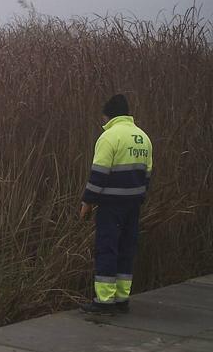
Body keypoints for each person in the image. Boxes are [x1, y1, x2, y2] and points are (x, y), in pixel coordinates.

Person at [79, 94, 153, 315]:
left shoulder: (109, 137)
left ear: (108, 115)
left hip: (111, 205)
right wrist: (138, 197)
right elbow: (147, 174)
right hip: (133, 204)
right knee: (126, 249)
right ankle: (122, 299)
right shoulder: (143, 137)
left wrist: (87, 202)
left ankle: (104, 300)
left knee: (107, 248)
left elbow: (98, 175)